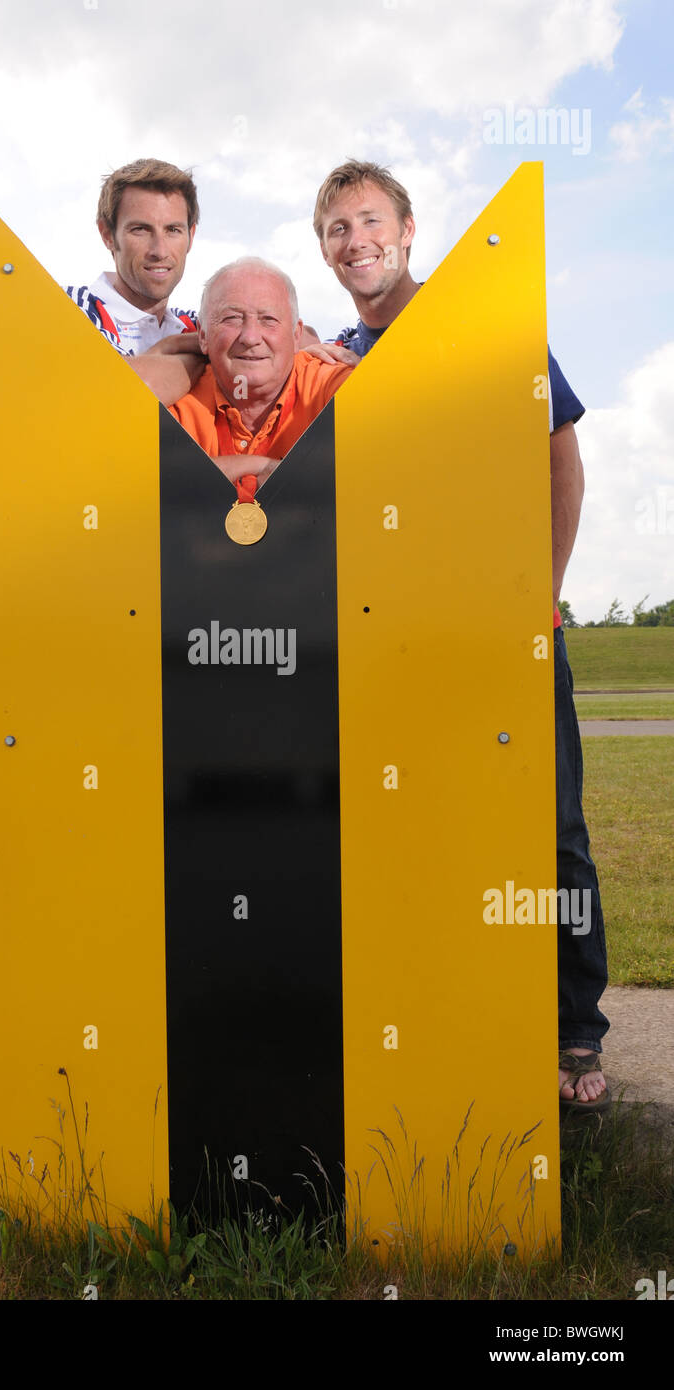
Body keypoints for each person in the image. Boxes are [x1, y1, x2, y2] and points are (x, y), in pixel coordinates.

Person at [312, 159, 609, 1112]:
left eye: (368, 221)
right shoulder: (343, 356)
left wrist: (542, 596)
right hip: (405, 641)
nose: (354, 241)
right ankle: (444, 1009)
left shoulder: (482, 320)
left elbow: (560, 463)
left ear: (406, 228)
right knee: (426, 830)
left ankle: (573, 1033)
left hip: (506, 625)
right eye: (334, 229)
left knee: (547, 829)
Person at [169, 258, 355, 491]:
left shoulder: (328, 385)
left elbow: (389, 448)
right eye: (232, 318)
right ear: (203, 337)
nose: (250, 337)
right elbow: (140, 484)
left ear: (296, 336)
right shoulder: (179, 399)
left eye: (268, 320)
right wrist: (262, 466)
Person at [64, 158, 206, 404]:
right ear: (108, 234)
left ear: (191, 236)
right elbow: (109, 399)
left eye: (173, 230)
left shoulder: (196, 324)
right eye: (140, 229)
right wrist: (189, 355)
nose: (159, 251)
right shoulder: (63, 308)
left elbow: (288, 337)